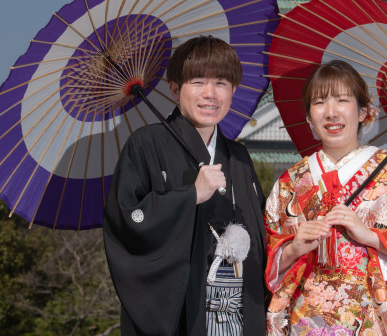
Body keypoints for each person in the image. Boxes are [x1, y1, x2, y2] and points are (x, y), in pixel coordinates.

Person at [264, 60, 387, 335]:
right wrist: (293, 249)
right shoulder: (290, 182)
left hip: (372, 319)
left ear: (363, 111)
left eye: (342, 100)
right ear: (309, 116)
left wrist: (372, 237)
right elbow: (265, 250)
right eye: (319, 102)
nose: (331, 113)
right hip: (307, 320)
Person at [103, 36, 267, 336]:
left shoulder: (239, 156)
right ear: (175, 89)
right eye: (198, 81)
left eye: (221, 83)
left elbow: (260, 232)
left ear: (233, 91)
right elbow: (126, 221)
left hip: (236, 310)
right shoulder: (146, 144)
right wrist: (190, 195)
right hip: (182, 313)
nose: (210, 94)